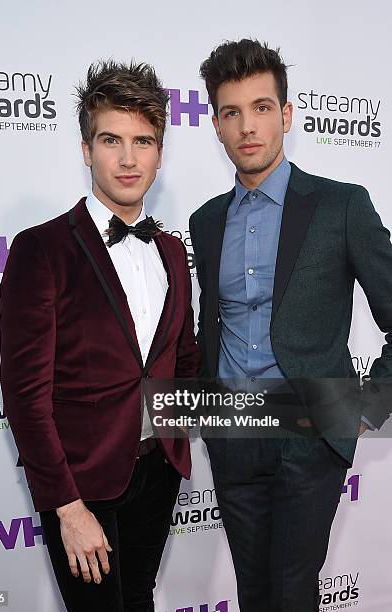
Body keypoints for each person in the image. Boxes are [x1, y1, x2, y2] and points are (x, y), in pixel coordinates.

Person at [189, 39, 392, 611]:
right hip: (232, 434)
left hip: (308, 435)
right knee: (253, 595)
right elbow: (210, 324)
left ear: (287, 114)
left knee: (293, 595)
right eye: (232, 112)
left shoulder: (341, 206)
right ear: (217, 125)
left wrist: (365, 405)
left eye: (260, 107)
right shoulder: (205, 221)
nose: (247, 126)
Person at [0, 60, 200, 612]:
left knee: (138, 601)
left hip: (159, 472)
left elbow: (183, 357)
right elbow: (24, 395)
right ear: (87, 149)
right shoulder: (41, 250)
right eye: (112, 140)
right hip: (81, 485)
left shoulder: (173, 252)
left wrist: (175, 440)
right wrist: (66, 507)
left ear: (160, 152)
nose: (129, 158)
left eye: (144, 141)